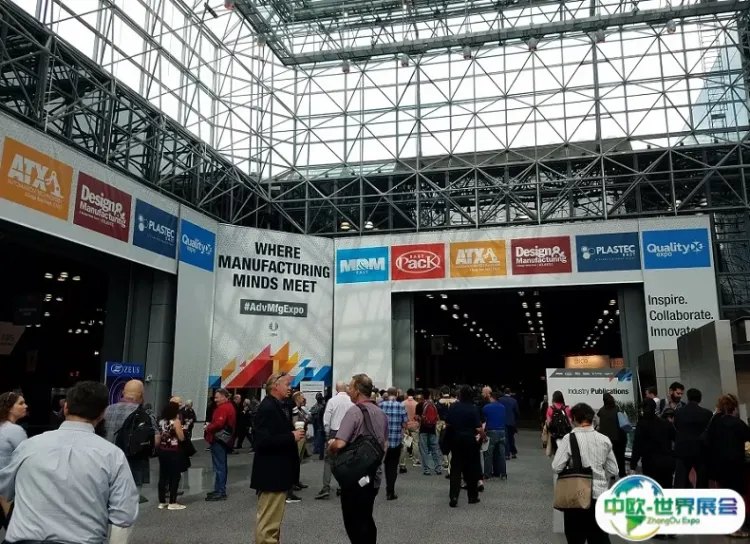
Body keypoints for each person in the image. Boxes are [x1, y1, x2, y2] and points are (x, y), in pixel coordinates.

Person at [0, 381, 138, 543]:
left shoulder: (29, 446)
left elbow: (6, 490)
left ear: (65, 408)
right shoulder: (113, 455)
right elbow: (125, 515)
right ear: (102, 414)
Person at [328, 374, 388, 544]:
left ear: (357, 391)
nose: (349, 390)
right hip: (372, 475)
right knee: (366, 516)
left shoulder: (354, 412)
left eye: (351, 387)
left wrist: (331, 445)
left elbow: (340, 443)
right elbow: (384, 445)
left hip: (355, 475)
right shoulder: (380, 413)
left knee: (353, 520)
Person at [251, 372, 306, 544]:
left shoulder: (277, 405)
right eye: (287, 385)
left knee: (271, 522)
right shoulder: (268, 407)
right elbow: (262, 441)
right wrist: (291, 436)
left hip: (275, 473)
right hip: (271, 473)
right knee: (269, 523)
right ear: (276, 386)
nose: (290, 388)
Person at [552, 403, 618, 544]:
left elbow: (556, 467)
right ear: (592, 418)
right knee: (600, 539)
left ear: (574, 419)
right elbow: (614, 469)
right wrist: (599, 473)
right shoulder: (604, 439)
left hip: (576, 498)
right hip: (599, 497)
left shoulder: (569, 438)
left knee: (575, 539)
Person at [104, 379, 158, 504]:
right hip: (134, 465)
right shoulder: (144, 415)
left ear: (123, 393)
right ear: (141, 395)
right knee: (128, 504)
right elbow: (155, 440)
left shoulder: (106, 411)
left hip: (107, 462)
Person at [705, 393, 750, 538]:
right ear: (734, 408)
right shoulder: (738, 424)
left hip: (719, 465)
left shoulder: (715, 423)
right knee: (737, 495)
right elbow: (748, 441)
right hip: (736, 464)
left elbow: (707, 440)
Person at [445, 385, 483, 507]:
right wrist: (483, 436)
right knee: (471, 469)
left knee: (456, 469)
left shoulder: (453, 407)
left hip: (456, 440)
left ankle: (454, 496)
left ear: (460, 395)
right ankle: (472, 496)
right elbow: (478, 428)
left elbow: (447, 423)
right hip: (470, 441)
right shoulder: (473, 408)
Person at [316, 381, 353, 500]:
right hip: (348, 433)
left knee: (329, 460)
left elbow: (326, 419)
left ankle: (326, 487)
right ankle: (343, 486)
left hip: (334, 432)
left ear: (336, 389)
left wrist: (327, 434)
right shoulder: (351, 401)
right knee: (346, 460)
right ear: (345, 389)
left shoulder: (332, 401)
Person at [629, 398, 675, 489]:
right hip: (666, 462)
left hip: (649, 463)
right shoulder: (666, 423)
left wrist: (633, 465)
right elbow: (675, 438)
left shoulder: (641, 425)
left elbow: (637, 446)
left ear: (643, 409)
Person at [673, 387, 712, 489]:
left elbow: (676, 426)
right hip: (700, 449)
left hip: (682, 449)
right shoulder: (707, 413)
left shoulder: (678, 412)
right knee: (702, 477)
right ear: (700, 399)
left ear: (688, 398)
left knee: (681, 478)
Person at [0, 392, 27, 530]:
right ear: (9, 408)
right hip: (6, 489)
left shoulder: (3, 427)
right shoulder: (14, 430)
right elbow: (26, 457)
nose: (25, 406)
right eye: (21, 403)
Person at [204, 388, 236, 501]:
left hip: (218, 439)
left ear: (223, 397)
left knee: (219, 466)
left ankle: (220, 491)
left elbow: (218, 423)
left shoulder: (223, 408)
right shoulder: (229, 406)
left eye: (217, 397)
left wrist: (208, 427)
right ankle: (219, 489)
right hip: (224, 439)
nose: (215, 400)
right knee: (220, 465)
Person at [156, 401, 187, 510]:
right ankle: (172, 502)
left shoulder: (161, 421)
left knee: (163, 476)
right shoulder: (176, 421)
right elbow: (181, 437)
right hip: (173, 450)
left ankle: (162, 501)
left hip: (162, 449)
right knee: (175, 476)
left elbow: (158, 436)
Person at [380, 387, 408, 499]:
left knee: (382, 464)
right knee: (392, 466)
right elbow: (405, 423)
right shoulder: (400, 406)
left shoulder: (381, 405)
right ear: (396, 394)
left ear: (387, 394)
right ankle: (390, 491)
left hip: (383, 441)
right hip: (396, 440)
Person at [596, 393, 627, 478]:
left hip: (606, 439)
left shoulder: (601, 411)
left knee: (609, 458)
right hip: (618, 438)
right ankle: (622, 474)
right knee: (620, 457)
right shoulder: (617, 408)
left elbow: (598, 423)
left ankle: (612, 475)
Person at [482, 391, 507, 480]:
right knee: (501, 454)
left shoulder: (486, 407)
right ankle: (502, 473)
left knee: (488, 454)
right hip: (502, 431)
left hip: (491, 431)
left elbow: (484, 419)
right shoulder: (503, 407)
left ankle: (487, 473)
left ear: (491, 397)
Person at [416, 388, 442, 475]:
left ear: (422, 396)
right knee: (435, 448)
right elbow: (437, 417)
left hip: (423, 429)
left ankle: (426, 469)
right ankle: (438, 468)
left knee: (424, 450)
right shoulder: (434, 405)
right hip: (432, 429)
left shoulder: (419, 405)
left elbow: (417, 417)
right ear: (430, 395)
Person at [399, 388, 420, 472]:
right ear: (414, 395)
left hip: (406, 425)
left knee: (405, 444)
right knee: (415, 442)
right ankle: (416, 460)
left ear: (407, 394)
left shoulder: (402, 403)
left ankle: (402, 462)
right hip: (414, 425)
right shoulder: (417, 404)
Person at [546, 390, 572, 456]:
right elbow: (570, 423)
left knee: (557, 454)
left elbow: (549, 424)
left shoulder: (550, 409)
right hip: (566, 435)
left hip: (555, 436)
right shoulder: (567, 408)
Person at [499, 388, 520, 460]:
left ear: (504, 392)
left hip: (503, 421)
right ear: (510, 393)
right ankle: (513, 452)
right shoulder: (514, 401)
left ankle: (507, 454)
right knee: (511, 437)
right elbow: (517, 411)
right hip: (511, 422)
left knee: (505, 437)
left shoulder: (500, 400)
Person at [310, 393, 326, 459]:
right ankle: (317, 449)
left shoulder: (321, 406)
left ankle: (317, 449)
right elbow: (312, 413)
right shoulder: (321, 406)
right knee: (318, 436)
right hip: (317, 423)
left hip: (319, 422)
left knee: (318, 436)